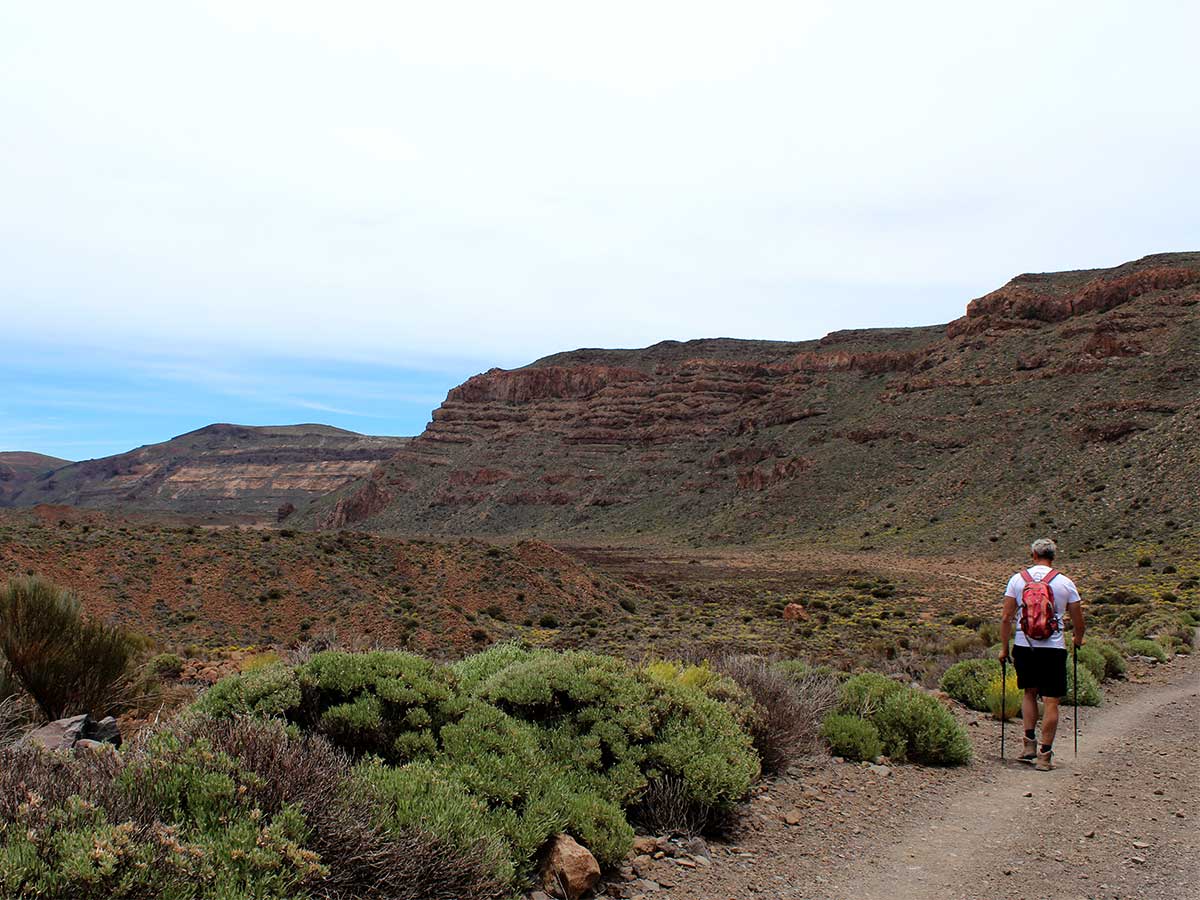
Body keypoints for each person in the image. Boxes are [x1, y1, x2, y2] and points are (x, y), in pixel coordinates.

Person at [997, 538, 1084, 771]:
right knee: (1051, 700)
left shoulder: (1017, 580)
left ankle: (1028, 744)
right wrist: (1078, 639)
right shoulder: (1065, 583)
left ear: (1033, 554)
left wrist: (1004, 648)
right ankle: (1045, 755)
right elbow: (1078, 620)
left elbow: (1006, 618)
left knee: (1029, 692)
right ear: (1053, 556)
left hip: (1025, 646)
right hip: (1054, 648)